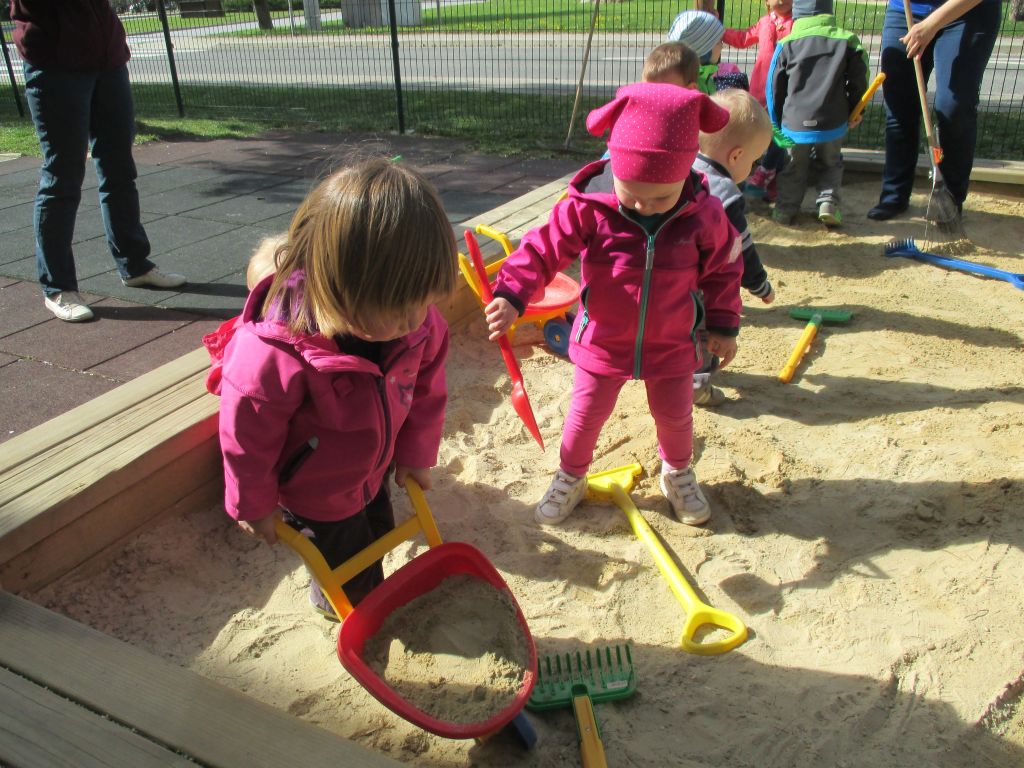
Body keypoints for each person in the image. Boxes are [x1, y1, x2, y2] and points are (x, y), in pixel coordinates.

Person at [483, 83, 742, 527]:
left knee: (676, 417)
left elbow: (724, 269)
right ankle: (571, 475)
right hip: (602, 340)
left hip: (672, 342)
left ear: (685, 172)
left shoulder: (704, 214)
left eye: (660, 197)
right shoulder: (590, 205)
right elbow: (543, 248)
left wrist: (723, 323)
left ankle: (677, 473)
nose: (644, 205)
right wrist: (511, 293)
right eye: (632, 192)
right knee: (584, 417)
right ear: (614, 167)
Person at [217, 157, 457, 618]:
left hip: (372, 464)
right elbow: (246, 434)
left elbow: (427, 390)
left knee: (376, 529)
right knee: (344, 565)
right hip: (316, 488)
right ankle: (333, 604)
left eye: (424, 303)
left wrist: (414, 453)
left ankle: (358, 587)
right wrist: (252, 503)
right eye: (400, 310)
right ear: (343, 288)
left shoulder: (414, 326)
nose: (416, 321)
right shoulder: (275, 351)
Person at [10, 0, 187, 323]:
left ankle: (135, 265)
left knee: (119, 169)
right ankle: (58, 288)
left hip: (107, 60)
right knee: (62, 176)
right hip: (55, 62)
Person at [867, 0, 1000, 222]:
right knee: (899, 104)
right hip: (907, 11)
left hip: (967, 13)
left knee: (953, 107)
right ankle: (894, 195)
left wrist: (931, 25)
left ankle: (949, 199)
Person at [692, 88, 775, 405]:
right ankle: (696, 384)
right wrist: (760, 284)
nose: (752, 168)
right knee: (700, 329)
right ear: (736, 156)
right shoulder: (725, 193)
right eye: (753, 161)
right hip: (698, 281)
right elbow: (741, 251)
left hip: (661, 269)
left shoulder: (679, 168)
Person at [765, 0, 868, 227]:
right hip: (832, 120)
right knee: (830, 163)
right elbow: (859, 78)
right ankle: (828, 203)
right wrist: (856, 109)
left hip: (794, 122)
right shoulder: (847, 41)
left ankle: (785, 210)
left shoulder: (786, 43)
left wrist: (775, 122)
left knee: (793, 165)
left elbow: (774, 88)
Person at [721, 0, 794, 202]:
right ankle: (772, 180)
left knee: (779, 134)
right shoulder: (765, 22)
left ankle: (766, 171)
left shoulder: (797, 23)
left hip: (784, 91)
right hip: (761, 89)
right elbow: (743, 38)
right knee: (761, 132)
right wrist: (719, 31)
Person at [667, 10, 749, 94]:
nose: (721, 46)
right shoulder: (694, 85)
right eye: (718, 42)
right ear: (704, 50)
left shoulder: (704, 78)